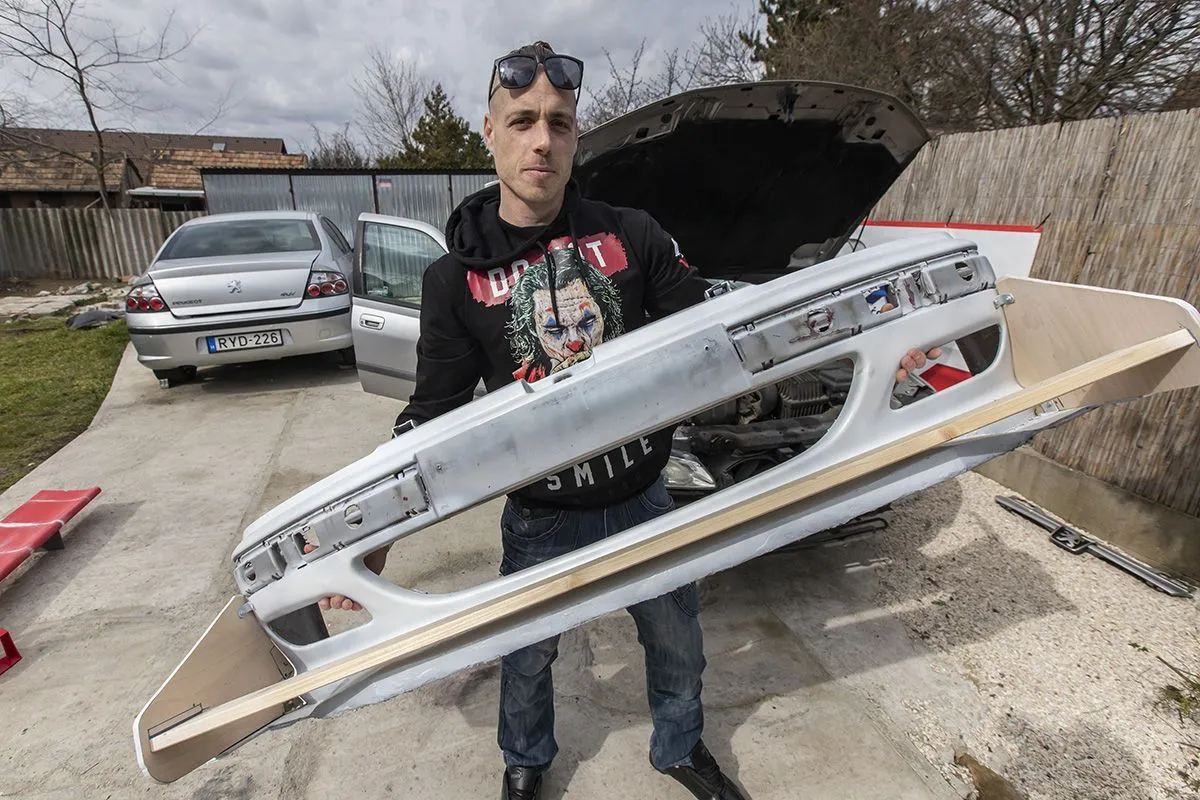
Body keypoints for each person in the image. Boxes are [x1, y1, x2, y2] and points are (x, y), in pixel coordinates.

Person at [318, 40, 940, 800]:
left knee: (678, 639)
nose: (541, 141)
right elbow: (430, 415)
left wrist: (875, 343)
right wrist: (370, 536)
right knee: (527, 654)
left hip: (647, 496)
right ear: (490, 132)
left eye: (558, 122)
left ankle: (679, 746)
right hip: (542, 514)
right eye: (522, 121)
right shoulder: (456, 279)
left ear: (576, 135)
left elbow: (727, 337)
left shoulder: (631, 235)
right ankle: (526, 760)